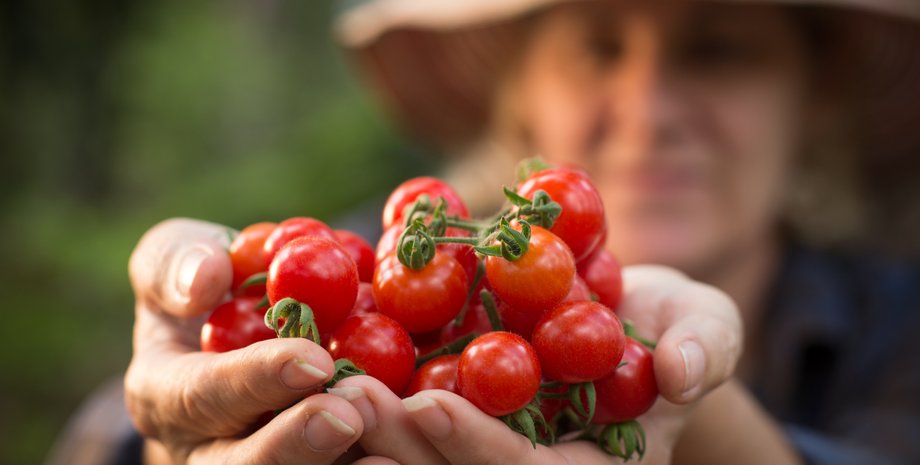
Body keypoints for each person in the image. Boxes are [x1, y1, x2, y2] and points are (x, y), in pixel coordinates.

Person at [48, 0, 920, 464]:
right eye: (599, 46)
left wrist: (703, 420)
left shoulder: (901, 330)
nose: (650, 111)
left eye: (719, 49)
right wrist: (178, 441)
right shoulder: (352, 264)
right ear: (521, 93)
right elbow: (104, 442)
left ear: (813, 100)